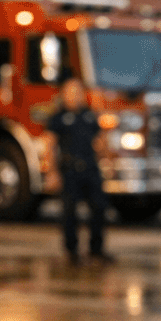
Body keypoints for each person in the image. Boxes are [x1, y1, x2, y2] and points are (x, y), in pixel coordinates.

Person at [47, 77, 112, 265]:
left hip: (91, 169)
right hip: (69, 169)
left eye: (79, 92)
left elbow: (100, 141)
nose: (76, 96)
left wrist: (107, 161)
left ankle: (96, 251)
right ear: (64, 95)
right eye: (72, 92)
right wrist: (52, 172)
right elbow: (50, 145)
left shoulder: (90, 116)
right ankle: (71, 252)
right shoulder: (58, 117)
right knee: (69, 212)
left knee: (99, 207)